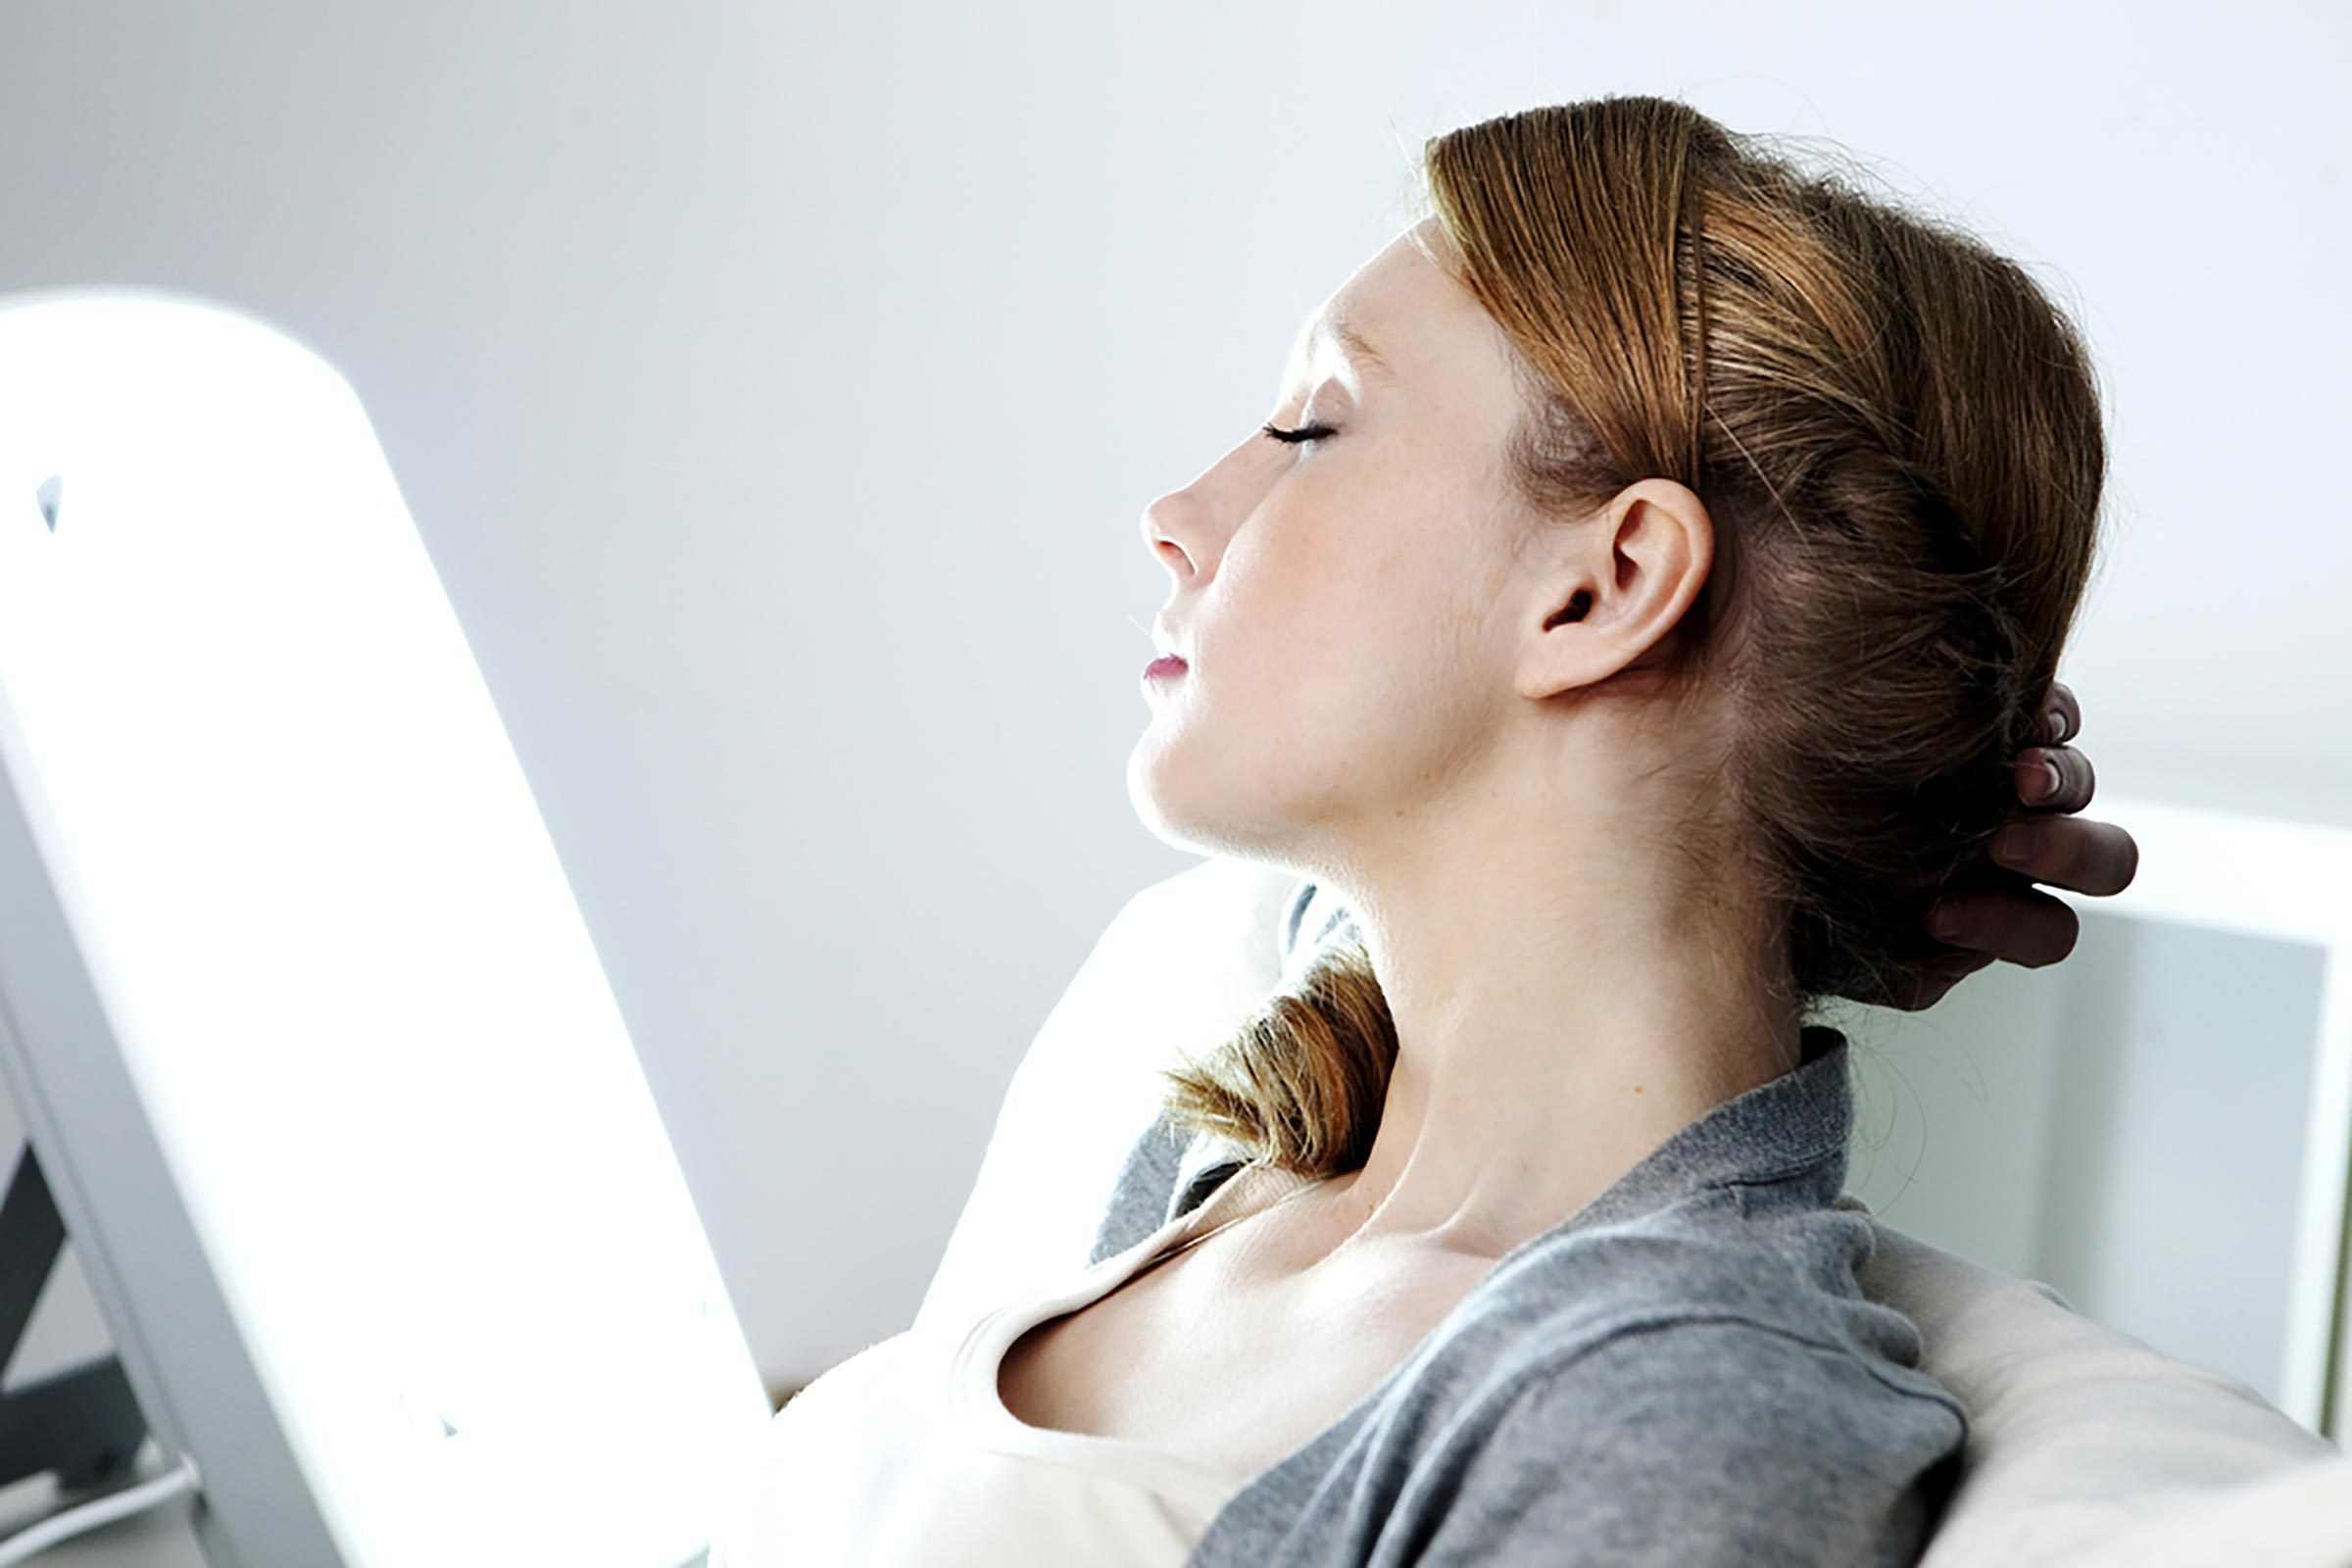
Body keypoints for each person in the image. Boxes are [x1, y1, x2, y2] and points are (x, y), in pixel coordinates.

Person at [706, 94, 2140, 1567]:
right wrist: (1859, 793)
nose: (1177, 510)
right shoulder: (1291, 1134)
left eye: (1312, 426)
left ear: (1603, 586)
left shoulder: (1660, 1422)